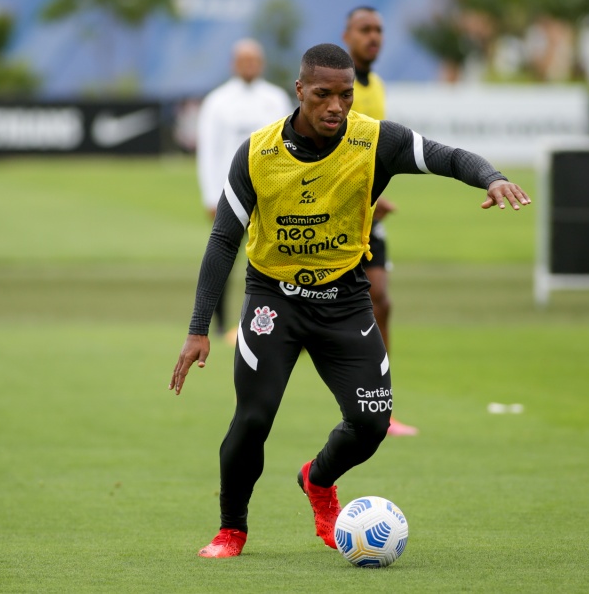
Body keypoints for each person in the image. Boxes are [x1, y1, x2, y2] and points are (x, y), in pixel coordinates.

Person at [170, 43, 530, 559]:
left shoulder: (375, 140)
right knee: (253, 419)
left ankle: (318, 480)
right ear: (300, 91)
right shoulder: (256, 153)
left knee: (371, 424)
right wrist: (198, 328)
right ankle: (232, 530)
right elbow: (224, 240)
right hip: (275, 300)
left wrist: (492, 177)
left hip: (344, 301)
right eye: (322, 95)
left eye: (344, 94)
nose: (335, 106)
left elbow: (447, 157)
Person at [342, 5, 417, 436]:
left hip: (367, 213)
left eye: (379, 30)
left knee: (381, 300)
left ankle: (381, 407)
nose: (374, 37)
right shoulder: (339, 85)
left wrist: (377, 193)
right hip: (336, 215)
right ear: (346, 34)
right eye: (365, 29)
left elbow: (372, 152)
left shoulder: (378, 86)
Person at [195, 38, 293, 343]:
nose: (249, 65)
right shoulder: (217, 101)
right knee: (223, 258)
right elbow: (208, 151)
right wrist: (211, 196)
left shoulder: (276, 99)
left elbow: (289, 148)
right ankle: (222, 324)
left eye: (253, 60)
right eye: (243, 60)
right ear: (233, 64)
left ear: (261, 63)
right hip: (230, 195)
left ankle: (273, 322)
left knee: (274, 259)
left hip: (270, 195)